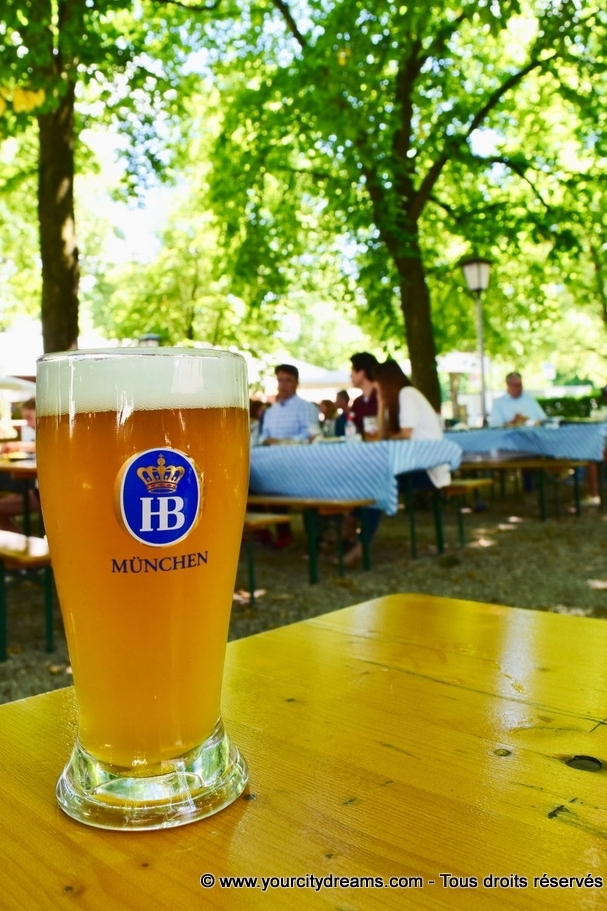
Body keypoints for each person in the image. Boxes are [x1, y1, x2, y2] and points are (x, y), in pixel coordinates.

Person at [343, 360, 450, 566]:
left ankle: (358, 543)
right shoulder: (398, 399)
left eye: (379, 382)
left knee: (376, 483)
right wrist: (382, 404)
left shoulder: (407, 395)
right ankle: (350, 532)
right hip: (414, 464)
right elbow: (383, 434)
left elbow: (405, 435)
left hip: (429, 469)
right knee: (369, 481)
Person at [258, 365, 313, 445]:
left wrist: (282, 442)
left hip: (296, 456)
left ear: (296, 383)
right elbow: (263, 435)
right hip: (271, 455)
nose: (283, 385)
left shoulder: (307, 407)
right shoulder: (270, 411)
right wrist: (265, 440)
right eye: (280, 380)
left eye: (288, 380)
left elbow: (310, 434)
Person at [349, 352, 379, 435]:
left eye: (352, 370)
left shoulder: (384, 398)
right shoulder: (357, 403)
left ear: (362, 373)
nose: (350, 375)